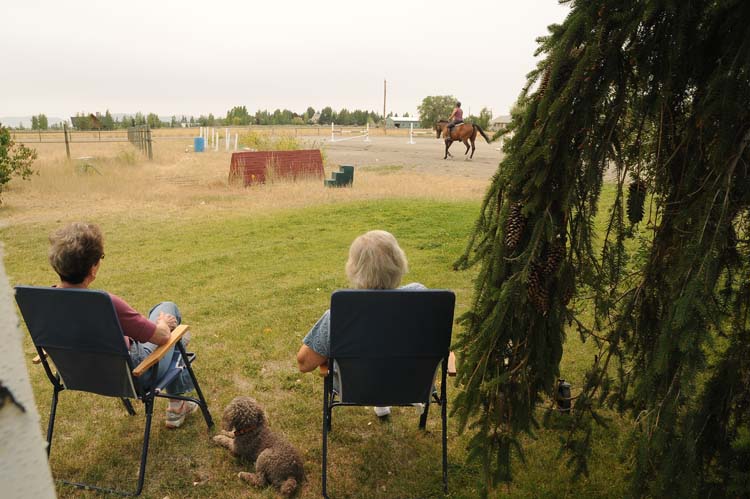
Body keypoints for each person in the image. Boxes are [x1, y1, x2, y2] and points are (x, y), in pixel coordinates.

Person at [47, 222, 198, 429]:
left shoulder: (44, 302)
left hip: (80, 375)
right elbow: (162, 337)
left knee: (169, 332)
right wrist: (163, 324)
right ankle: (176, 404)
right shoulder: (105, 304)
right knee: (171, 318)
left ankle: (177, 405)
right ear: (92, 268)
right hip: (135, 374)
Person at [296, 230, 426, 418]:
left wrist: (325, 352)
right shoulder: (421, 298)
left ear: (354, 269)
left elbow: (304, 363)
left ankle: (379, 399)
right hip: (411, 384)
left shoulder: (340, 313)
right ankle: (382, 402)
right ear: (399, 262)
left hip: (356, 386)